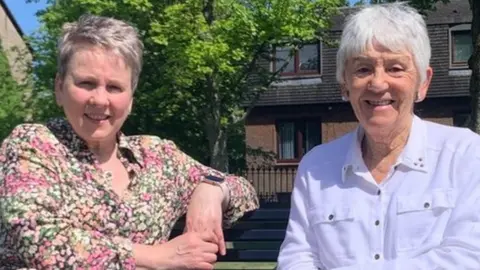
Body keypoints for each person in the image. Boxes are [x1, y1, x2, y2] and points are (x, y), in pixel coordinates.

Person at [0, 14, 259, 269]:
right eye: (86, 83)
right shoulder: (32, 145)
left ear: (131, 99)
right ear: (59, 88)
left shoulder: (158, 157)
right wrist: (157, 257)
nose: (100, 100)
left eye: (114, 87)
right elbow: (36, 238)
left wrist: (212, 189)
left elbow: (244, 191)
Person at [277, 3, 480, 270]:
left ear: (423, 82)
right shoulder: (315, 167)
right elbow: (297, 258)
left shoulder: (466, 155)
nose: (378, 83)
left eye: (396, 68)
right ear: (344, 85)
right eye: (363, 69)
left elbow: (467, 256)